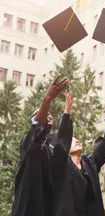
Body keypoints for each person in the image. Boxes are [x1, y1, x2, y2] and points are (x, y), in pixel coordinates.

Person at [51, 98, 105, 216]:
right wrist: (67, 112)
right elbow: (63, 139)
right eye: (72, 141)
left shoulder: (89, 163)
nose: (77, 141)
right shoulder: (61, 165)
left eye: (77, 140)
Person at [12, 75, 69, 216]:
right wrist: (47, 100)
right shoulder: (28, 143)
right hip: (29, 206)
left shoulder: (51, 147)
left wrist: (67, 113)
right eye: (44, 115)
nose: (48, 116)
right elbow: (37, 130)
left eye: (50, 115)